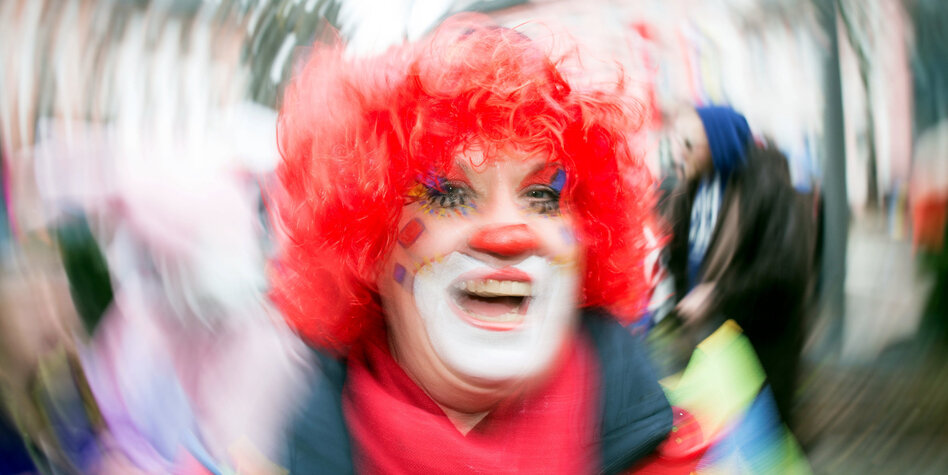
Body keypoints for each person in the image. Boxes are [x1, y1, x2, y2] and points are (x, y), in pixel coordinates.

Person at [269, 18, 674, 473]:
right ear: (369, 245)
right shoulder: (294, 452)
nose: (507, 234)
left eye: (542, 195)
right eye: (449, 194)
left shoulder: (661, 445)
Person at [665, 106, 814, 428]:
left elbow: (784, 271)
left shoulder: (767, 185)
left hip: (757, 346)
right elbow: (680, 252)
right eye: (677, 141)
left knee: (756, 435)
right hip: (710, 341)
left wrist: (717, 295)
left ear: (718, 143)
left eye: (689, 144)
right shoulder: (693, 185)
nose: (679, 152)